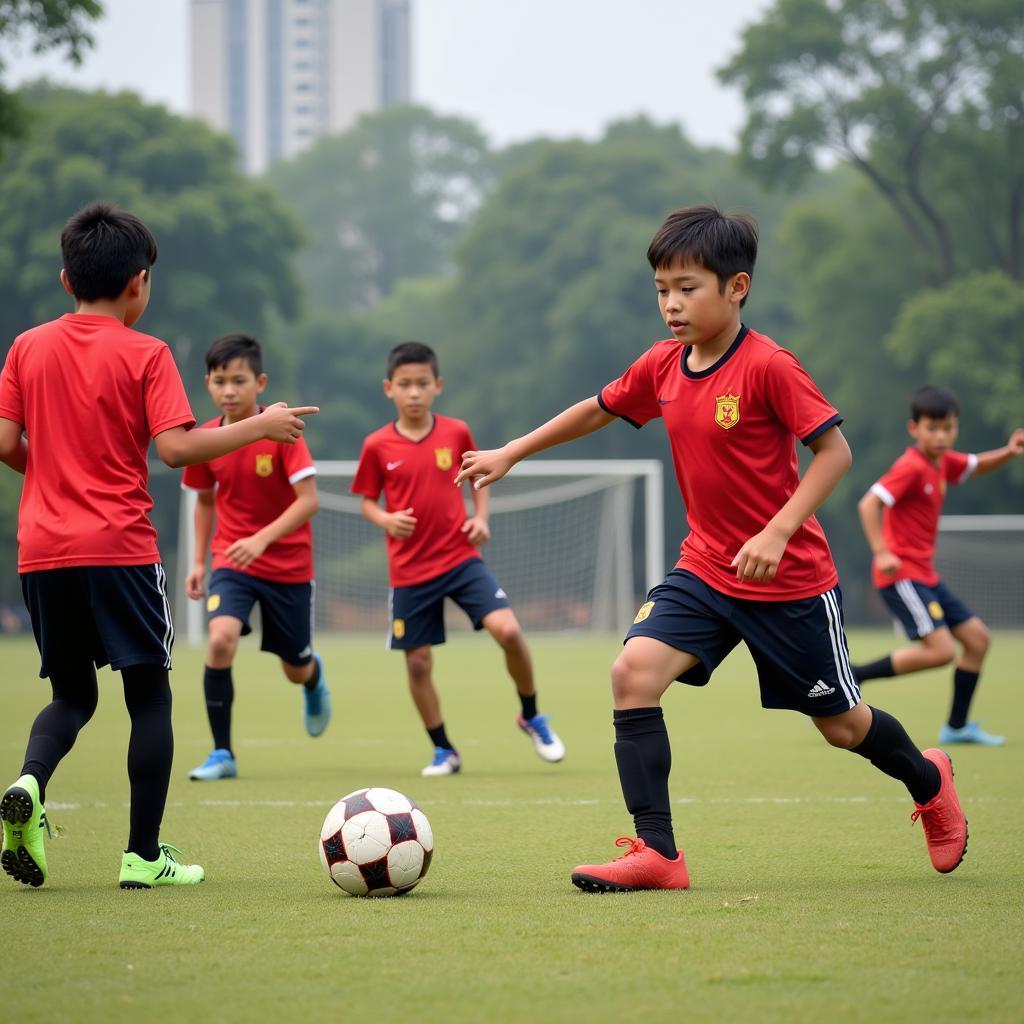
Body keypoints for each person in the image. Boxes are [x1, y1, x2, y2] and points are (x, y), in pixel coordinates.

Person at [456, 205, 967, 892]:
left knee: (842, 728)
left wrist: (779, 528)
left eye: (687, 287)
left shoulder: (769, 366)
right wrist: (512, 452)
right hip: (705, 569)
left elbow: (834, 452)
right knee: (632, 674)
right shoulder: (663, 365)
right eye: (662, 288)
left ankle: (930, 779)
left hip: (789, 583)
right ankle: (658, 853)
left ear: (737, 288)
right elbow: (597, 407)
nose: (671, 303)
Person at [0, 203, 316, 889]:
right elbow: (175, 449)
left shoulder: (26, 347)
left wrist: (55, 471)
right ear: (139, 283)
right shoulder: (147, 353)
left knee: (72, 697)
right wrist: (261, 425)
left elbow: (4, 443)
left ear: (65, 279)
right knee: (148, 698)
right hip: (117, 546)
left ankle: (29, 780)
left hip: (42, 550)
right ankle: (143, 856)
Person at [351, 341, 565, 777]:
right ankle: (443, 748)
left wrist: (481, 518)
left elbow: (480, 478)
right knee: (417, 661)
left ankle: (531, 714)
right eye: (405, 385)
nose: (414, 393)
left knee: (508, 630)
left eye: (422, 384)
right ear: (388, 388)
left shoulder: (456, 433)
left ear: (438, 386)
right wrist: (386, 519)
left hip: (460, 559)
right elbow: (367, 502)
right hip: (409, 572)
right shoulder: (376, 445)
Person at [183, 333, 331, 782]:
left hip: (288, 566)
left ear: (260, 382)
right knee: (221, 640)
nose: (229, 390)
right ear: (208, 382)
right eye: (220, 380)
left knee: (294, 667)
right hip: (232, 562)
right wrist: (198, 563)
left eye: (239, 380)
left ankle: (312, 677)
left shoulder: (281, 428)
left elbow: (308, 500)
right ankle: (222, 753)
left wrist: (262, 539)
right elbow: (205, 502)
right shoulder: (204, 440)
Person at [851, 385, 1024, 746]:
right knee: (943, 651)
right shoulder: (911, 466)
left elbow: (975, 465)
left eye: (949, 427)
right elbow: (869, 504)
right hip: (901, 576)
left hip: (926, 576)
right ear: (914, 429)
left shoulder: (943, 461)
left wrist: (1009, 452)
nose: (942, 435)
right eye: (933, 428)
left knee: (977, 640)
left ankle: (957, 727)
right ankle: (852, 676)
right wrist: (881, 551)